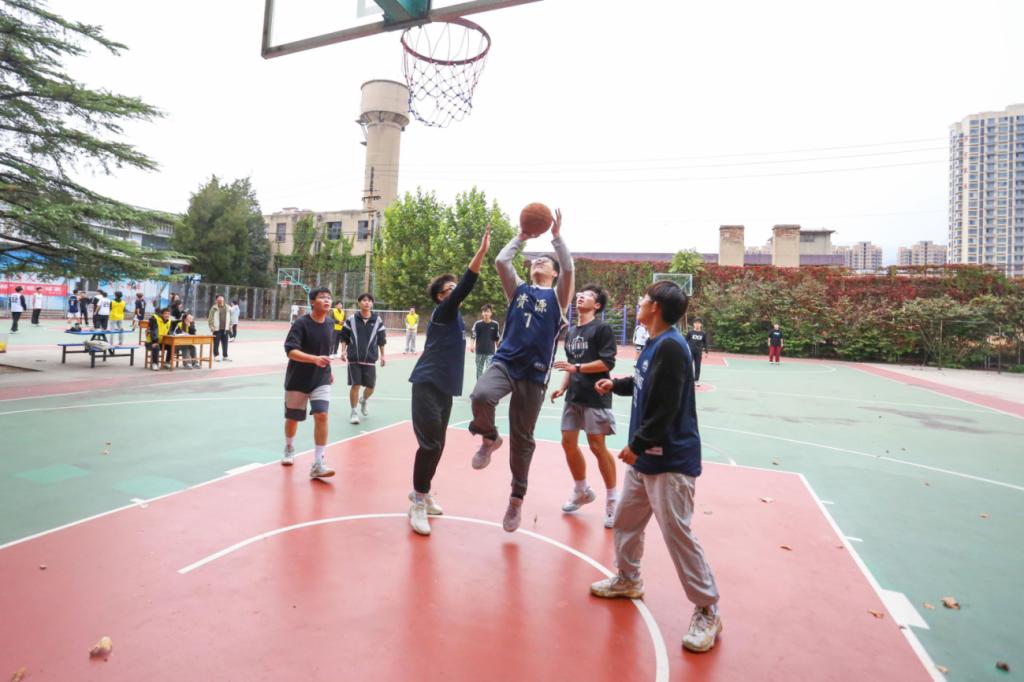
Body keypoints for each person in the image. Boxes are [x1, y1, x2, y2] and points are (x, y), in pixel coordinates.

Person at [590, 280, 722, 654]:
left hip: (670, 461)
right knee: (626, 521)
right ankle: (628, 579)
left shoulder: (673, 347)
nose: (639, 302)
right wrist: (616, 384)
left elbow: (666, 406)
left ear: (657, 308)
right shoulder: (653, 343)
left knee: (677, 533)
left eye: (644, 299)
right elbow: (645, 382)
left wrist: (637, 444)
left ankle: (708, 609)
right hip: (646, 457)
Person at [468, 209, 573, 533]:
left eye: (546, 261)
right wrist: (521, 237)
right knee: (481, 395)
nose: (538, 261)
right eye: (535, 260)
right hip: (506, 362)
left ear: (554, 273)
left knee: (523, 439)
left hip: (535, 373)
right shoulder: (518, 290)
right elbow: (502, 261)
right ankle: (489, 438)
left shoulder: (559, 297)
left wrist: (556, 238)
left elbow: (570, 267)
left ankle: (516, 498)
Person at [407, 227, 490, 535]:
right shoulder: (443, 312)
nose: (455, 292)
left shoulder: (455, 318)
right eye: (450, 289)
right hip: (427, 383)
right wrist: (480, 253)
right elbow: (467, 284)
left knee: (437, 445)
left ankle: (423, 491)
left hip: (443, 388)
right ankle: (417, 501)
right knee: (429, 445)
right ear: (441, 296)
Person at [550, 284, 619, 528]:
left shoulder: (601, 329)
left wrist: (576, 368)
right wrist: (563, 386)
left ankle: (613, 500)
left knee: (597, 447)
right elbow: (572, 363)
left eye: (588, 295)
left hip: (596, 395)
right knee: (567, 443)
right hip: (574, 395)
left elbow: (606, 363)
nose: (580, 296)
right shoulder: (571, 331)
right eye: (580, 294)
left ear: (597, 305)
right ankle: (582, 490)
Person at [280, 287, 336, 480]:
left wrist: (329, 369)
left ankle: (318, 463)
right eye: (322, 297)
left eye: (329, 298)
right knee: (293, 418)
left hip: (321, 377)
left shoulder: (330, 323)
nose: (327, 300)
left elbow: (325, 351)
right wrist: (314, 359)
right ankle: (289, 447)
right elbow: (291, 351)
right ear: (312, 302)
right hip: (298, 378)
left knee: (322, 415)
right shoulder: (301, 324)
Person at [339, 293, 386, 425]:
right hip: (354, 358)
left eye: (369, 301)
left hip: (370, 359)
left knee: (371, 387)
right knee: (356, 385)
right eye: (364, 300)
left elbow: (381, 339)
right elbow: (344, 336)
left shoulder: (377, 320)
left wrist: (383, 355)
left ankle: (364, 400)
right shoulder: (351, 319)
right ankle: (354, 412)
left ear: (372, 304)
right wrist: (343, 351)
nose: (367, 303)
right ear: (359, 303)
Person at [469, 304, 501, 380]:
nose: (486, 313)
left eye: (488, 311)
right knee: (479, 370)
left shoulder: (495, 324)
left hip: (490, 352)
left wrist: (499, 349)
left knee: (489, 371)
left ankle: (487, 385)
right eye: (484, 311)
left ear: (491, 313)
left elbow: (497, 338)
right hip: (479, 352)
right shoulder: (478, 324)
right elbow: (473, 335)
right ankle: (479, 385)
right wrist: (472, 345)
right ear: (482, 313)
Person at [208, 294, 231, 362]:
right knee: (216, 343)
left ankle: (225, 356)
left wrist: (230, 324)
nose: (220, 300)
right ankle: (216, 356)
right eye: (219, 299)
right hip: (216, 329)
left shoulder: (228, 307)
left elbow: (231, 317)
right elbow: (210, 318)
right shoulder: (214, 308)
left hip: (225, 329)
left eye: (221, 299)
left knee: (225, 343)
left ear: (223, 299)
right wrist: (211, 326)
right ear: (216, 300)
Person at [686, 319, 710, 384]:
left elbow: (705, 343)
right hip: (690, 351)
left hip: (698, 352)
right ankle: (687, 378)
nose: (697, 324)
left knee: (698, 366)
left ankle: (696, 380)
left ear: (701, 325)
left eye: (699, 323)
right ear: (693, 324)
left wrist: (706, 352)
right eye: (696, 323)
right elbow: (685, 341)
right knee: (689, 365)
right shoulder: (690, 332)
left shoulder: (703, 333)